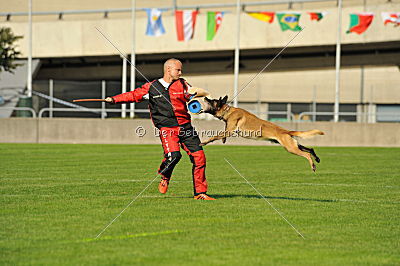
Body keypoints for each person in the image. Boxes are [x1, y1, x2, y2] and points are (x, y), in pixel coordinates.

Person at [105, 58, 215, 200]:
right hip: (167, 129)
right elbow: (132, 95)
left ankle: (200, 193)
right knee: (174, 157)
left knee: (200, 158)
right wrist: (114, 99)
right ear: (168, 69)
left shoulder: (182, 84)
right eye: (178, 70)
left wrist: (203, 96)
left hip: (186, 128)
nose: (180, 73)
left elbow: (191, 93)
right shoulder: (151, 87)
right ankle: (165, 175)